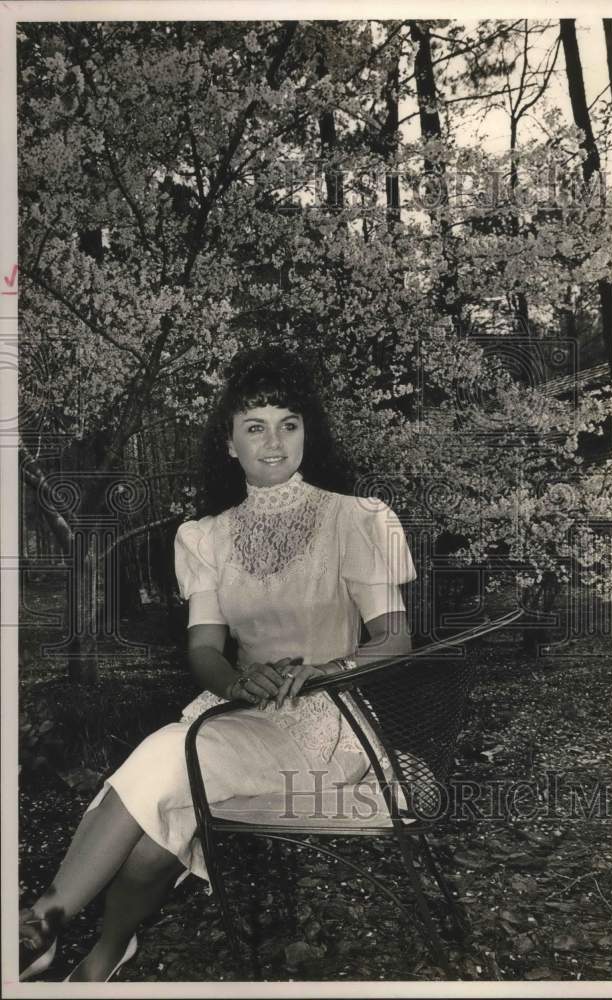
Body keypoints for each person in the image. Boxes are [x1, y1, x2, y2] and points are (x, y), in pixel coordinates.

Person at [19, 345, 416, 982]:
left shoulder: (357, 520)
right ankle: (100, 956)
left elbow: (394, 640)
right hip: (237, 718)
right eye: (254, 427)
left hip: (328, 729)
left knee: (167, 757)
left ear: (307, 432)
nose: (274, 442)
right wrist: (236, 681)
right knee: (151, 842)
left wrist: (321, 673)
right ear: (229, 444)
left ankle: (42, 921)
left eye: (289, 424)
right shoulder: (203, 536)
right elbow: (203, 650)